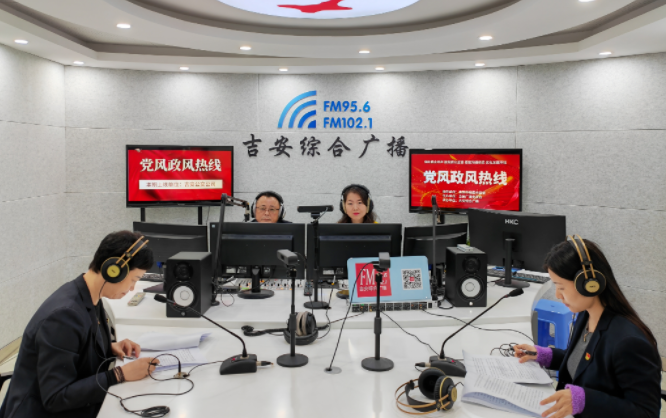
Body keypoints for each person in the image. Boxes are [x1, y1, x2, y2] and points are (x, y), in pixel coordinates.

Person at [0, 231, 160, 418]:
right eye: (134, 280)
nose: (132, 289)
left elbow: (74, 348)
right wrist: (119, 374)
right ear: (114, 270)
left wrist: (108, 348)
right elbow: (55, 398)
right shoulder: (64, 316)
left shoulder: (89, 296)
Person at [514, 235, 661, 418]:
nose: (558, 295)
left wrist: (585, 401)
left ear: (589, 284)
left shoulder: (629, 343)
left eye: (561, 287)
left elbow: (647, 413)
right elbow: (585, 365)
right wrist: (545, 355)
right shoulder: (586, 315)